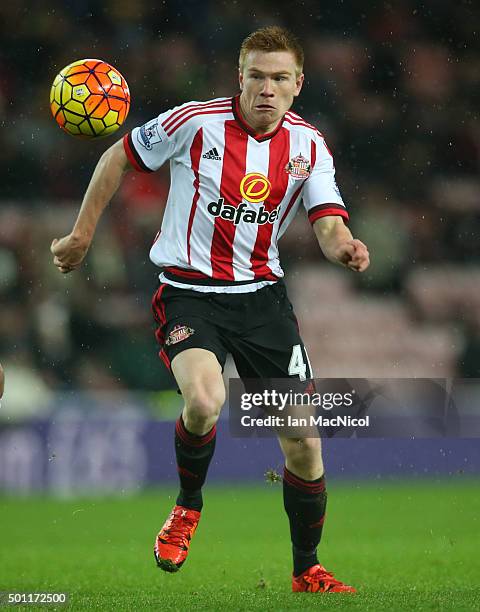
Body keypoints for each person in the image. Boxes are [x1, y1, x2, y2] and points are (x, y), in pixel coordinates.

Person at [51, 26, 370, 594]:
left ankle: (307, 570)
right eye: (256, 76)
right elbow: (117, 156)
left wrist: (343, 246)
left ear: (298, 84)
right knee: (204, 399)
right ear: (239, 78)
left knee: (302, 442)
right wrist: (81, 235)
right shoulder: (195, 122)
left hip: (263, 301)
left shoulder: (309, 145)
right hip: (189, 292)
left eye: (278, 78)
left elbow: (326, 219)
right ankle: (187, 507)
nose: (265, 89)